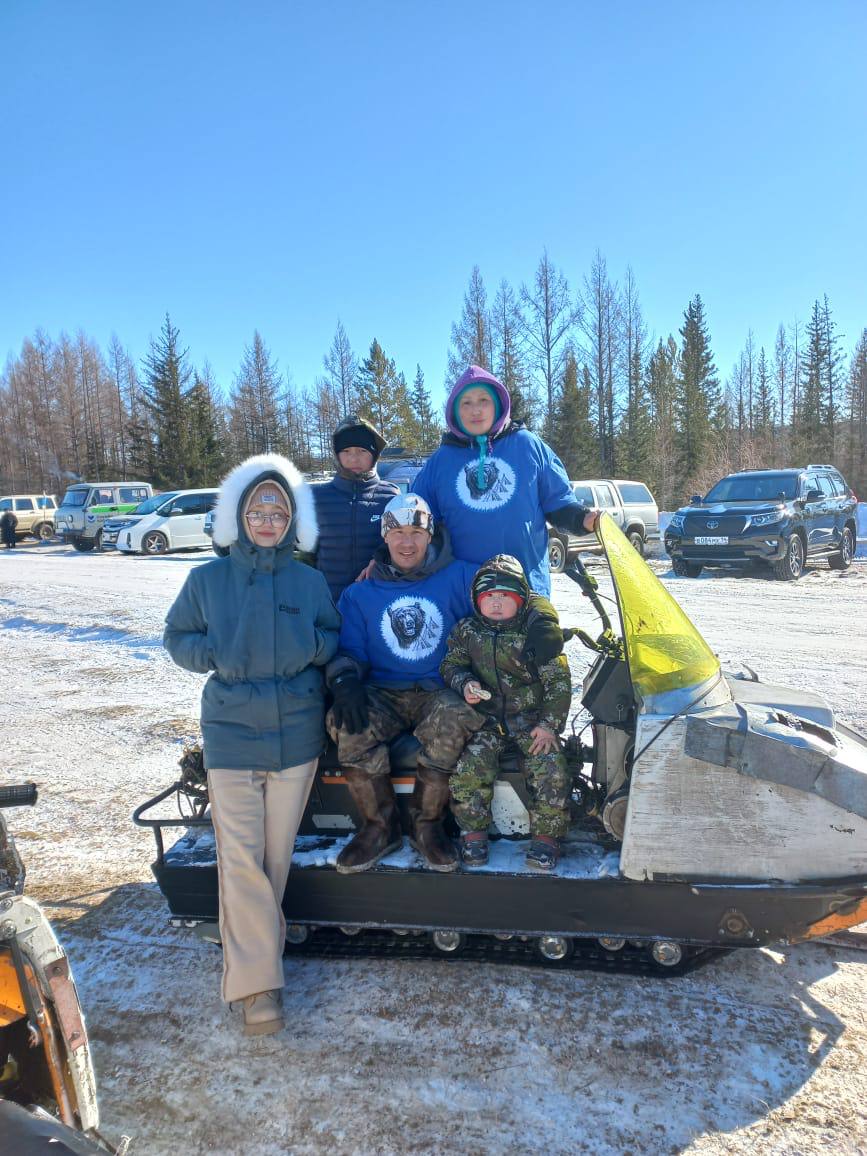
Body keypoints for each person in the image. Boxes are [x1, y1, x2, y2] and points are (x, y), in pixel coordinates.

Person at [163, 454, 340, 1037]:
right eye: (259, 509)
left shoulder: (307, 580)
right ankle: (259, 986)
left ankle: (254, 954)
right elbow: (177, 637)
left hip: (296, 732)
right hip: (232, 732)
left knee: (273, 859)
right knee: (240, 859)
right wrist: (212, 655)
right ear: (240, 515)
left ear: (292, 522)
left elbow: (330, 633)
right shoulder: (206, 580)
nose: (268, 518)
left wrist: (309, 648)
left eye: (279, 510)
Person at [326, 492, 487, 874]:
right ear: (384, 536)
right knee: (346, 722)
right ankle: (379, 827)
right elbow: (349, 650)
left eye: (416, 531)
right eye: (397, 531)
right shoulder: (361, 592)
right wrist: (345, 679)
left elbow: (509, 598)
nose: (407, 541)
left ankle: (425, 824)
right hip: (384, 691)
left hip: (440, 688)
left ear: (430, 535)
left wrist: (541, 620)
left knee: (455, 716)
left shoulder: (462, 576)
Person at [411, 365, 599, 597]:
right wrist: (386, 558)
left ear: (498, 404)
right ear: (455, 411)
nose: (475, 410)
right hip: (464, 594)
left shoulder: (528, 446)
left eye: (483, 400)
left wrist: (583, 519)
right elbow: (414, 520)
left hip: (527, 590)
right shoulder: (441, 461)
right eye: (466, 403)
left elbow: (558, 503)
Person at [441, 554, 573, 871]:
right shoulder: (467, 631)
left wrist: (548, 725)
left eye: (505, 596)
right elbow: (451, 665)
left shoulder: (534, 634)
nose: (496, 603)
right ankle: (472, 833)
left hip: (530, 722)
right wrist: (466, 683)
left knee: (550, 766)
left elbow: (558, 681)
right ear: (477, 599)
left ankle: (546, 838)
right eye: (489, 596)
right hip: (485, 722)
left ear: (521, 598)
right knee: (470, 767)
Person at [310, 414, 399, 602]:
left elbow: (405, 547)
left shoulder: (391, 496)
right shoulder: (316, 498)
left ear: (374, 454)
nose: (354, 458)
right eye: (347, 451)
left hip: (376, 602)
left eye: (362, 450)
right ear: (337, 454)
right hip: (328, 605)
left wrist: (382, 560)